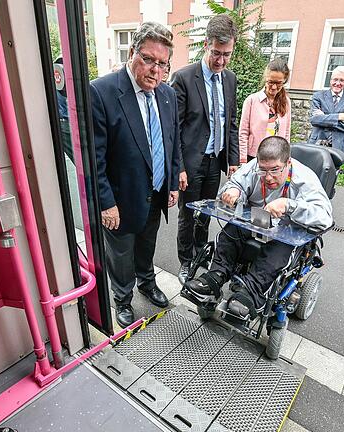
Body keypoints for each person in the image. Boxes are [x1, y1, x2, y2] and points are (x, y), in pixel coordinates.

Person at [90, 22, 180, 327]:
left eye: (162, 64)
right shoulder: (102, 92)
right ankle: (122, 298)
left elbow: (172, 139)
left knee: (147, 243)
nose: (155, 70)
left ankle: (147, 282)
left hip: (155, 191)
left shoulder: (166, 95)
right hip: (121, 195)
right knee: (120, 251)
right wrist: (105, 202)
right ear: (132, 54)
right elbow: (95, 157)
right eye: (148, 60)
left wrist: (172, 180)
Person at [183, 136, 333, 317]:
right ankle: (215, 277)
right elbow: (234, 183)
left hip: (287, 229)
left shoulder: (305, 180)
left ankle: (251, 293)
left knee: (278, 250)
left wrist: (289, 205)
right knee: (231, 231)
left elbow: (324, 217)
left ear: (288, 163)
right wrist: (233, 190)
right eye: (263, 170)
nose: (268, 177)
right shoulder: (255, 167)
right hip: (256, 219)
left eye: (275, 170)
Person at [171, 14, 240, 285]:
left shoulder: (230, 79)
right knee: (188, 214)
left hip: (216, 161)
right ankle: (186, 261)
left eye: (227, 54)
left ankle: (200, 253)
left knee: (208, 212)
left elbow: (231, 122)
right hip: (191, 163)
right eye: (216, 53)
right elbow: (173, 130)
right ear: (205, 45)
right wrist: (179, 167)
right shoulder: (184, 78)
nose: (221, 61)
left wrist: (233, 160)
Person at [238, 58, 292, 163]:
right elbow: (243, 133)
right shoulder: (252, 100)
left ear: (284, 81)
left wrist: (287, 157)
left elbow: (286, 133)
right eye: (270, 82)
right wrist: (242, 160)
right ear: (265, 78)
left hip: (277, 158)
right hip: (254, 157)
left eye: (279, 83)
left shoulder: (286, 102)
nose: (274, 87)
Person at [308, 66, 344, 155]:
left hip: (338, 146)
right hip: (317, 142)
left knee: (334, 169)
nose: (337, 83)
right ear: (330, 79)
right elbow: (314, 120)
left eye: (342, 80)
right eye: (335, 79)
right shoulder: (318, 96)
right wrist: (339, 117)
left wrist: (323, 118)